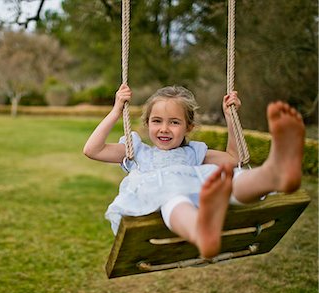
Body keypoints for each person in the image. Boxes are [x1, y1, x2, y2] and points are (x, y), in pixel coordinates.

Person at [83, 83, 305, 258]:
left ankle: (271, 175)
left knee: (230, 179)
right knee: (174, 199)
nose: (164, 129)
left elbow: (234, 159)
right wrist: (115, 112)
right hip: (166, 201)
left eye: (174, 122)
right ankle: (201, 231)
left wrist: (230, 117)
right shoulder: (136, 152)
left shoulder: (193, 153)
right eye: (157, 121)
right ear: (147, 123)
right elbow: (92, 150)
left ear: (189, 127)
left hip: (201, 194)